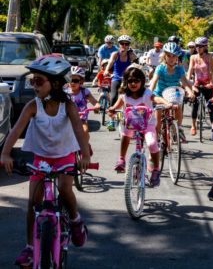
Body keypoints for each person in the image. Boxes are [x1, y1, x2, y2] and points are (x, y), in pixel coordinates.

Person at [0, 55, 90, 266]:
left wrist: (85, 156)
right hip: (41, 157)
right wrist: (5, 154)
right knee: (33, 201)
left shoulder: (67, 106)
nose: (34, 85)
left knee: (66, 189)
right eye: (32, 80)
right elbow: (15, 131)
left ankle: (75, 221)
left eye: (39, 81)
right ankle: (30, 247)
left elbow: (78, 131)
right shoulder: (33, 105)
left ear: (56, 83)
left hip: (64, 155)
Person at [107, 66, 171, 186]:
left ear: (142, 81)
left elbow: (156, 98)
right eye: (130, 81)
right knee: (125, 135)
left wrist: (167, 103)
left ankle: (156, 170)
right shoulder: (124, 95)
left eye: (136, 81)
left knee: (152, 143)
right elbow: (116, 105)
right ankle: (121, 159)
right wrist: (111, 109)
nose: (133, 83)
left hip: (148, 124)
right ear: (126, 82)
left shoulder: (146, 93)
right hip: (132, 123)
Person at [149, 42, 195, 142]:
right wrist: (149, 93)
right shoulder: (160, 68)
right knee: (157, 123)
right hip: (159, 95)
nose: (171, 58)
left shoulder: (179, 69)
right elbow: (154, 81)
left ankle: (178, 129)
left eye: (173, 56)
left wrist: (190, 92)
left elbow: (185, 82)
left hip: (173, 95)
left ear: (177, 57)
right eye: (168, 56)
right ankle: (155, 146)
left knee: (178, 106)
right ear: (165, 56)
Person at [104, 35, 137, 131]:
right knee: (114, 97)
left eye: (126, 44)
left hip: (127, 79)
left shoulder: (130, 55)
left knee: (130, 98)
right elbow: (110, 63)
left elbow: (137, 63)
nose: (124, 45)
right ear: (119, 44)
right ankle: (112, 120)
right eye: (122, 43)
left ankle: (131, 119)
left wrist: (134, 57)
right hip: (116, 78)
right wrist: (106, 70)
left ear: (129, 45)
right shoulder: (115, 54)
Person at [186, 36, 213, 136]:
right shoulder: (193, 57)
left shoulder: (209, 57)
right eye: (197, 46)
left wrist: (211, 83)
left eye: (201, 46)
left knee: (211, 106)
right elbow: (190, 70)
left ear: (205, 47)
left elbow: (210, 70)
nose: (198, 48)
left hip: (207, 83)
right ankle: (193, 126)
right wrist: (188, 82)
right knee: (195, 104)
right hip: (197, 83)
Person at [68, 66, 100, 148]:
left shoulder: (84, 92)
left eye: (75, 81)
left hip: (81, 119)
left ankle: (85, 148)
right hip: (67, 119)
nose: (72, 83)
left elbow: (94, 101)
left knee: (85, 131)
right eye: (70, 80)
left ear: (81, 81)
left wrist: (97, 106)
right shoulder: (65, 92)